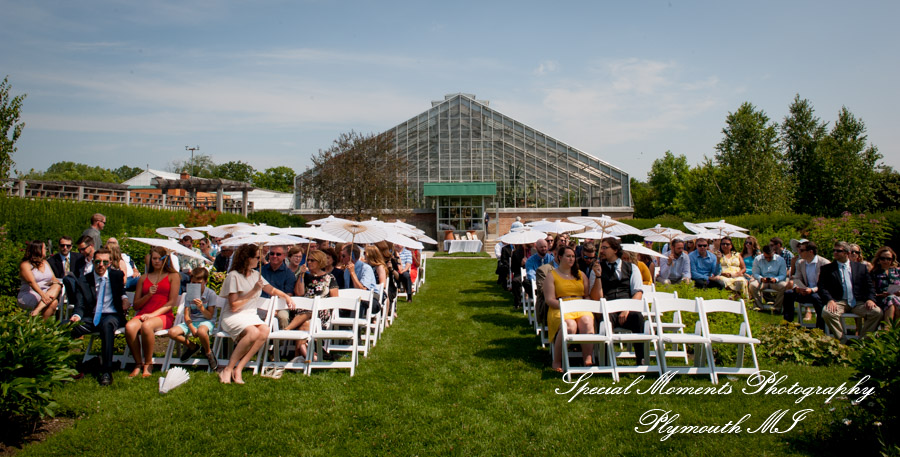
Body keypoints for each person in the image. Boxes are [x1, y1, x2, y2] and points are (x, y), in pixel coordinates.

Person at [218, 244, 291, 384]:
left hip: (250, 315)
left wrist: (286, 297)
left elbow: (272, 290)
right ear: (247, 258)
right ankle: (228, 368)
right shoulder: (233, 276)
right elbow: (233, 306)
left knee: (264, 330)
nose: (260, 259)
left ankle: (239, 367)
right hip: (234, 315)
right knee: (253, 333)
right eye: (257, 257)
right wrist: (253, 291)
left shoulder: (256, 275)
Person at [69, 249, 128, 386]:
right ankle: (63, 366)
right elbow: (80, 304)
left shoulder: (116, 276)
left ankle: (106, 371)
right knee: (67, 326)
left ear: (110, 263)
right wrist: (76, 315)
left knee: (107, 325)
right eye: (98, 261)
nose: (101, 265)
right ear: (93, 262)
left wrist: (124, 298)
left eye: (105, 262)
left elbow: (121, 291)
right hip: (92, 316)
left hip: (112, 315)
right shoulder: (84, 280)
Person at [127, 246, 179, 378]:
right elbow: (136, 305)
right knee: (129, 327)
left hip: (163, 315)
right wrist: (148, 295)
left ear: (165, 260)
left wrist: (151, 315)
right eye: (153, 258)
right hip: (143, 313)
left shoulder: (173, 276)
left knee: (147, 325)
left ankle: (148, 363)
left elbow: (171, 303)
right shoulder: (144, 278)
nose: (156, 261)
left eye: (159, 259)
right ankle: (138, 363)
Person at [592, 238, 646, 364]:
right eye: (602, 248)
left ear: (615, 250)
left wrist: (627, 308)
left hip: (626, 309)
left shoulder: (632, 268)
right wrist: (598, 276)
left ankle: (641, 358)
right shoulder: (596, 268)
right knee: (605, 321)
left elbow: (638, 292)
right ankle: (606, 360)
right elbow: (596, 297)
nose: (602, 251)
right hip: (608, 309)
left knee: (638, 318)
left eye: (605, 248)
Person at [543, 246, 592, 373]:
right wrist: (565, 306)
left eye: (573, 256)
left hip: (580, 306)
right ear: (560, 257)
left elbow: (586, 295)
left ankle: (587, 358)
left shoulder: (581, 275)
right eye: (568, 256)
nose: (571, 259)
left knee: (587, 321)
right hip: (560, 307)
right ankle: (557, 360)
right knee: (570, 326)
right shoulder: (552, 275)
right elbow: (549, 299)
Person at [820, 241, 882, 340]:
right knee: (827, 313)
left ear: (847, 253)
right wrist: (829, 300)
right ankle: (842, 340)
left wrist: (870, 299)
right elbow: (822, 288)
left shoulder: (860, 268)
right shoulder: (827, 269)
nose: (835, 252)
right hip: (839, 301)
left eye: (838, 251)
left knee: (876, 312)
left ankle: (863, 340)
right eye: (834, 250)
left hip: (858, 301)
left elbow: (869, 286)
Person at [290, 249, 339, 359]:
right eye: (308, 260)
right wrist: (301, 274)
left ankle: (287, 331)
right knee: (306, 323)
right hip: (303, 311)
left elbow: (334, 299)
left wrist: (320, 305)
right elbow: (299, 293)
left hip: (321, 311)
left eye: (313, 260)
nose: (309, 262)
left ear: (320, 261)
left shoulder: (329, 278)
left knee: (311, 310)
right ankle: (306, 357)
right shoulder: (305, 276)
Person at [168, 267, 219, 369]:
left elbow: (210, 316)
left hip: (206, 321)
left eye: (199, 283)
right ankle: (192, 346)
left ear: (205, 282)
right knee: (172, 333)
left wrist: (201, 307)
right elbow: (187, 315)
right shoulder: (189, 295)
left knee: (201, 331)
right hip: (192, 321)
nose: (196, 286)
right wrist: (191, 327)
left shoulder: (211, 294)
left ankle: (208, 352)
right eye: (193, 283)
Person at [782, 241, 829, 329]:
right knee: (788, 294)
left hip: (818, 292)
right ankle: (787, 324)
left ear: (810, 252)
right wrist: (798, 288)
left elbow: (826, 284)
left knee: (816, 298)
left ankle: (820, 327)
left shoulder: (824, 263)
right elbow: (797, 278)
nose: (799, 252)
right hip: (805, 291)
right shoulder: (801, 263)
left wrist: (812, 290)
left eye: (802, 250)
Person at [17, 240, 62, 319]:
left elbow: (53, 278)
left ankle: (37, 313)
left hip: (46, 293)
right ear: (37, 250)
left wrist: (56, 284)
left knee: (57, 287)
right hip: (30, 293)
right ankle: (40, 325)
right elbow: (31, 282)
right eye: (44, 248)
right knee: (53, 302)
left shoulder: (45, 262)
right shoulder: (25, 265)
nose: (46, 250)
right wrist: (43, 295)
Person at [260, 245, 297, 332]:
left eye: (278, 254)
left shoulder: (289, 274)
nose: (274, 256)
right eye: (272, 253)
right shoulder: (261, 271)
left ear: (284, 255)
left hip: (281, 306)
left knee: (283, 317)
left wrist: (275, 308)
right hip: (261, 304)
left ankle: (281, 343)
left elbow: (289, 294)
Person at [749, 244, 788, 311]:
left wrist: (776, 279)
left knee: (784, 286)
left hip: (775, 281)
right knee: (752, 285)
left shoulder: (780, 260)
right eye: (766, 257)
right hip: (762, 281)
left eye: (770, 257)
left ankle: (777, 307)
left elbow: (783, 274)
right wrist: (761, 278)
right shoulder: (758, 259)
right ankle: (759, 306)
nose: (768, 259)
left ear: (774, 253)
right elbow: (755, 273)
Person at [871, 246, 899, 326]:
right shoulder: (874, 273)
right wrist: (880, 295)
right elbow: (871, 291)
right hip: (880, 300)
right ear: (878, 259)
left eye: (888, 259)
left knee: (893, 299)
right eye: (883, 258)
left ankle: (889, 331)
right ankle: (890, 331)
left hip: (897, 299)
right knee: (890, 299)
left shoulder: (898, 272)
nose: (885, 261)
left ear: (892, 260)